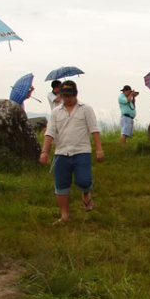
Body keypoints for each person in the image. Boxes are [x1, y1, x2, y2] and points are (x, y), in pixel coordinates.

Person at [39, 80, 104, 223]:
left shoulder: (85, 109)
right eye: (65, 96)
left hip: (82, 151)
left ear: (76, 94)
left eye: (70, 96)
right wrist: (45, 152)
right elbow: (50, 133)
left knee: (84, 180)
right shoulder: (56, 112)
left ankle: (86, 194)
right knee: (61, 186)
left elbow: (94, 129)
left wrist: (99, 149)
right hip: (62, 153)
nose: (67, 99)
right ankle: (64, 215)